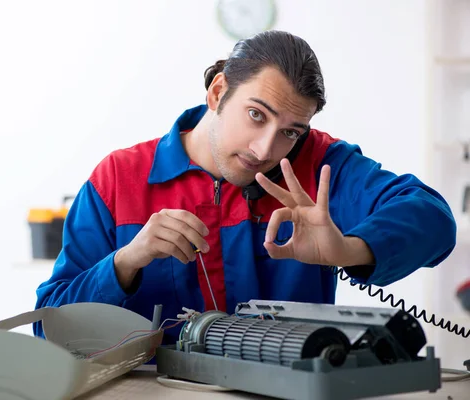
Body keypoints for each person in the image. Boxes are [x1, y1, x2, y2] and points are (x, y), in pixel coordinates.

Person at [33, 30, 456, 342]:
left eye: (291, 131)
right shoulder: (118, 180)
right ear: (218, 92)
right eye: (256, 115)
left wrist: (348, 250)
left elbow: (434, 219)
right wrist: (126, 262)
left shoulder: (320, 164)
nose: (265, 148)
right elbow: (47, 328)